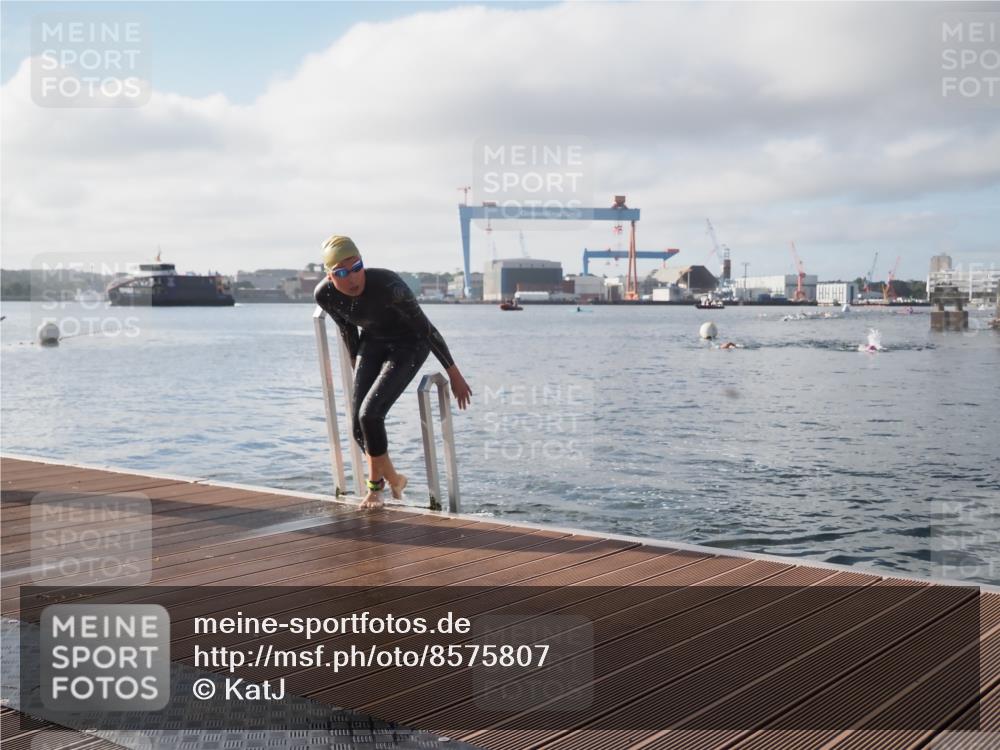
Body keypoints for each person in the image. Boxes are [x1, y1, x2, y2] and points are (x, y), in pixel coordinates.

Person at [314, 236, 472, 510]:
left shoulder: (389, 286)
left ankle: (376, 489)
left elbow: (427, 330)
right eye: (341, 272)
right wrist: (358, 370)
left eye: (356, 267)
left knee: (370, 414)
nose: (352, 278)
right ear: (330, 275)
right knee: (358, 427)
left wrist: (454, 374)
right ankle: (396, 479)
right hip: (373, 341)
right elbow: (348, 331)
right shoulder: (325, 294)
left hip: (410, 343)